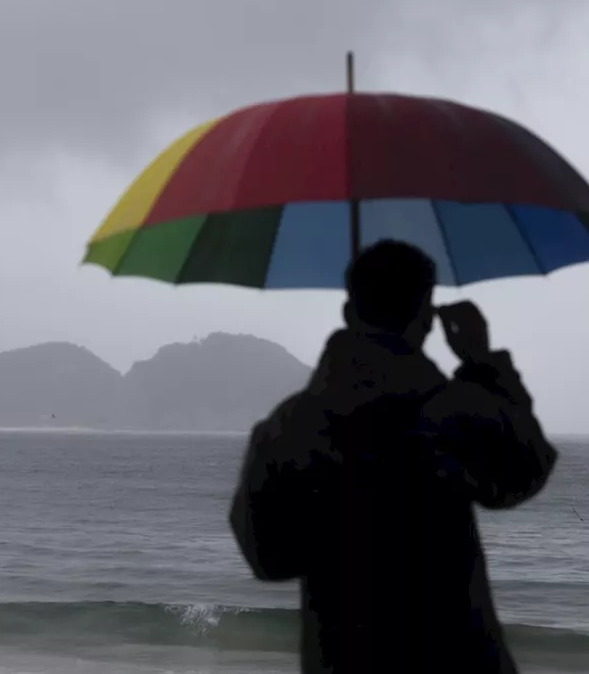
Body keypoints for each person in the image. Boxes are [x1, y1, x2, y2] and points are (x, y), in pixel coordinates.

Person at [229, 239, 559, 673]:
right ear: (426, 319)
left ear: (349, 314)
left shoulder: (291, 427)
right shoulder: (451, 409)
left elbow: (267, 558)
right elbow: (526, 469)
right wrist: (482, 363)